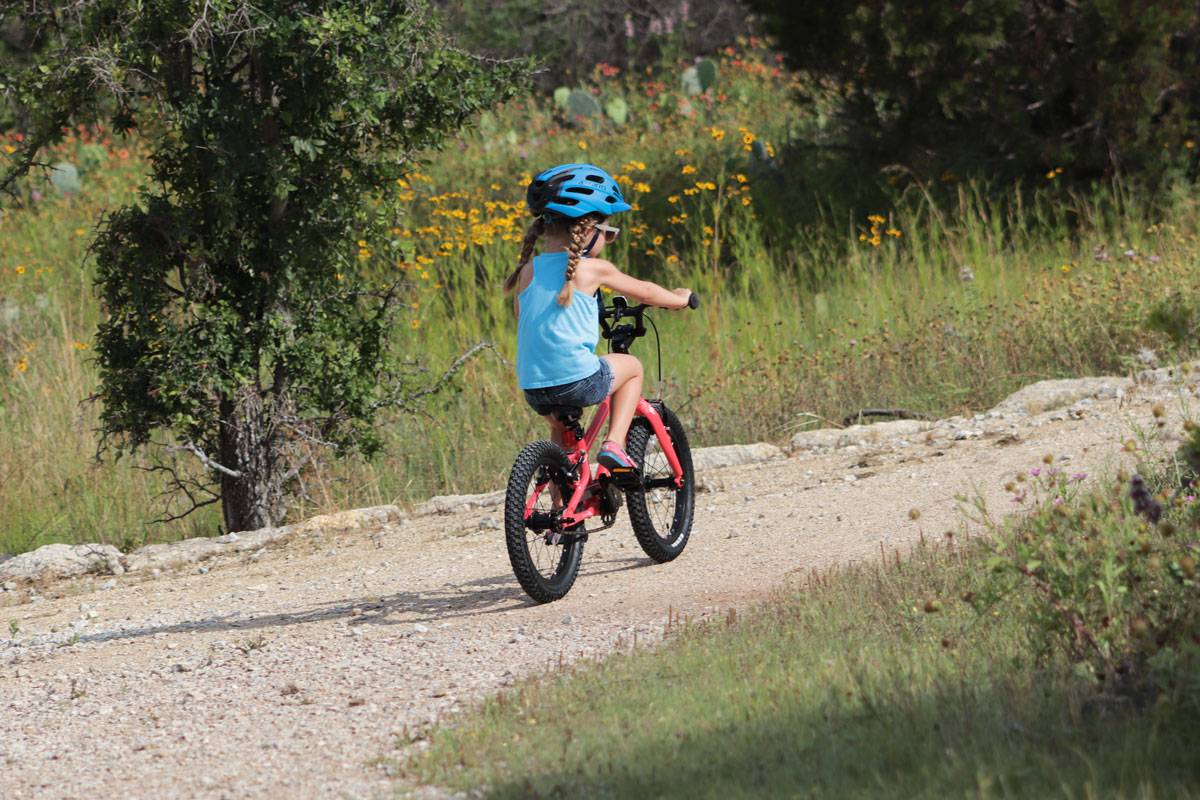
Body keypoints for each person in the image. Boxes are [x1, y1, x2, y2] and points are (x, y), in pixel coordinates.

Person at [503, 163, 692, 474]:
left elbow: (523, 317)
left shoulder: (527, 271)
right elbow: (646, 291)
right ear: (589, 231)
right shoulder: (593, 268)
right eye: (609, 233)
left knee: (562, 442)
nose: (609, 239)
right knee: (632, 367)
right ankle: (614, 444)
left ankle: (564, 499)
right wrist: (679, 299)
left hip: (534, 387)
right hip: (578, 381)